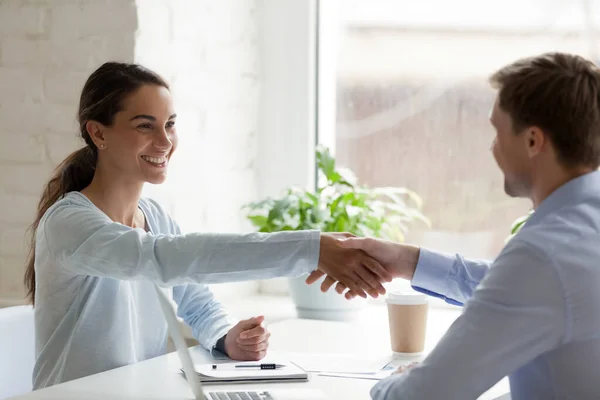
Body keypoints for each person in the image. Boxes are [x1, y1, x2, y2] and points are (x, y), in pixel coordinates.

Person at [25, 62, 392, 390]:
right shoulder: (68, 223)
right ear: (98, 134)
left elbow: (195, 302)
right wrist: (311, 250)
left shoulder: (155, 217)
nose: (165, 141)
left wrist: (227, 336)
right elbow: (162, 258)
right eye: (145, 126)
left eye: (170, 125)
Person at [309, 52, 600, 399]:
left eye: (497, 130)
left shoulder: (544, 255)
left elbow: (421, 396)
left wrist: (401, 379)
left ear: (533, 140)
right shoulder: (578, 230)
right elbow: (519, 291)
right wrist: (408, 262)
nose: (492, 147)